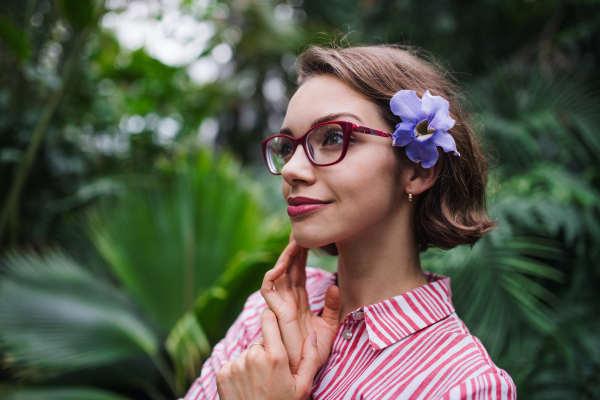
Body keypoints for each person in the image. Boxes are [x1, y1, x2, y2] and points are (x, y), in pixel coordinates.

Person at [183, 44, 517, 399]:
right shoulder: (268, 311)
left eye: (334, 137)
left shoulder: (466, 385)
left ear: (420, 170)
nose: (292, 169)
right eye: (288, 147)